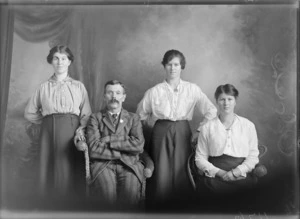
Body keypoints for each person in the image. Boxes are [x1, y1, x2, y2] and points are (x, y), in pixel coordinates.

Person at [136, 49, 217, 207]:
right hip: (160, 132)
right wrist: (152, 125)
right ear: (164, 66)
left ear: (182, 67)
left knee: (182, 168)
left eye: (176, 64)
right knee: (161, 169)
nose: (172, 68)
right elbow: (139, 116)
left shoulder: (192, 89)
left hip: (182, 130)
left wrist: (199, 130)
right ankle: (160, 208)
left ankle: (182, 208)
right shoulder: (154, 91)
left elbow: (211, 111)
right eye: (169, 64)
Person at [24, 45, 92, 202]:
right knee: (48, 168)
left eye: (63, 58)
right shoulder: (43, 87)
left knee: (68, 167)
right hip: (48, 131)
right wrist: (47, 121)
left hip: (72, 131)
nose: (60, 62)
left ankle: (70, 206)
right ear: (51, 62)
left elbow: (86, 114)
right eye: (56, 58)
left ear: (69, 62)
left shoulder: (78, 86)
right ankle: (48, 206)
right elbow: (29, 113)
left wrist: (80, 131)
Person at [86, 80, 145, 210]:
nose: (114, 97)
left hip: (129, 165)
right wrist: (124, 149)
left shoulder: (133, 118)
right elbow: (94, 149)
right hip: (103, 165)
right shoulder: (95, 118)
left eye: (118, 93)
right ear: (104, 96)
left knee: (129, 197)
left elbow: (138, 145)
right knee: (107, 197)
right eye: (110, 93)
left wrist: (110, 139)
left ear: (123, 97)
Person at [195, 84, 259, 195]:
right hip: (215, 176)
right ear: (216, 101)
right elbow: (200, 159)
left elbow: (253, 156)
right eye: (222, 99)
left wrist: (237, 172)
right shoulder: (207, 127)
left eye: (230, 99)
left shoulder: (248, 125)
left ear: (235, 101)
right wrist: (221, 173)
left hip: (241, 176)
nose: (226, 103)